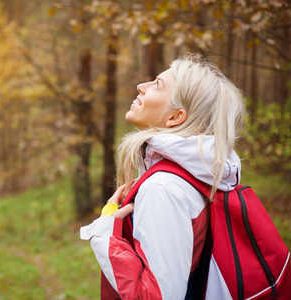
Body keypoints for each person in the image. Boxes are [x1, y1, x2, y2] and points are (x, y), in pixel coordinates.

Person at [80, 54, 245, 299]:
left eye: (157, 84)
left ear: (175, 117)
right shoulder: (194, 174)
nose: (141, 86)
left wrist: (106, 231)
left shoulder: (164, 188)